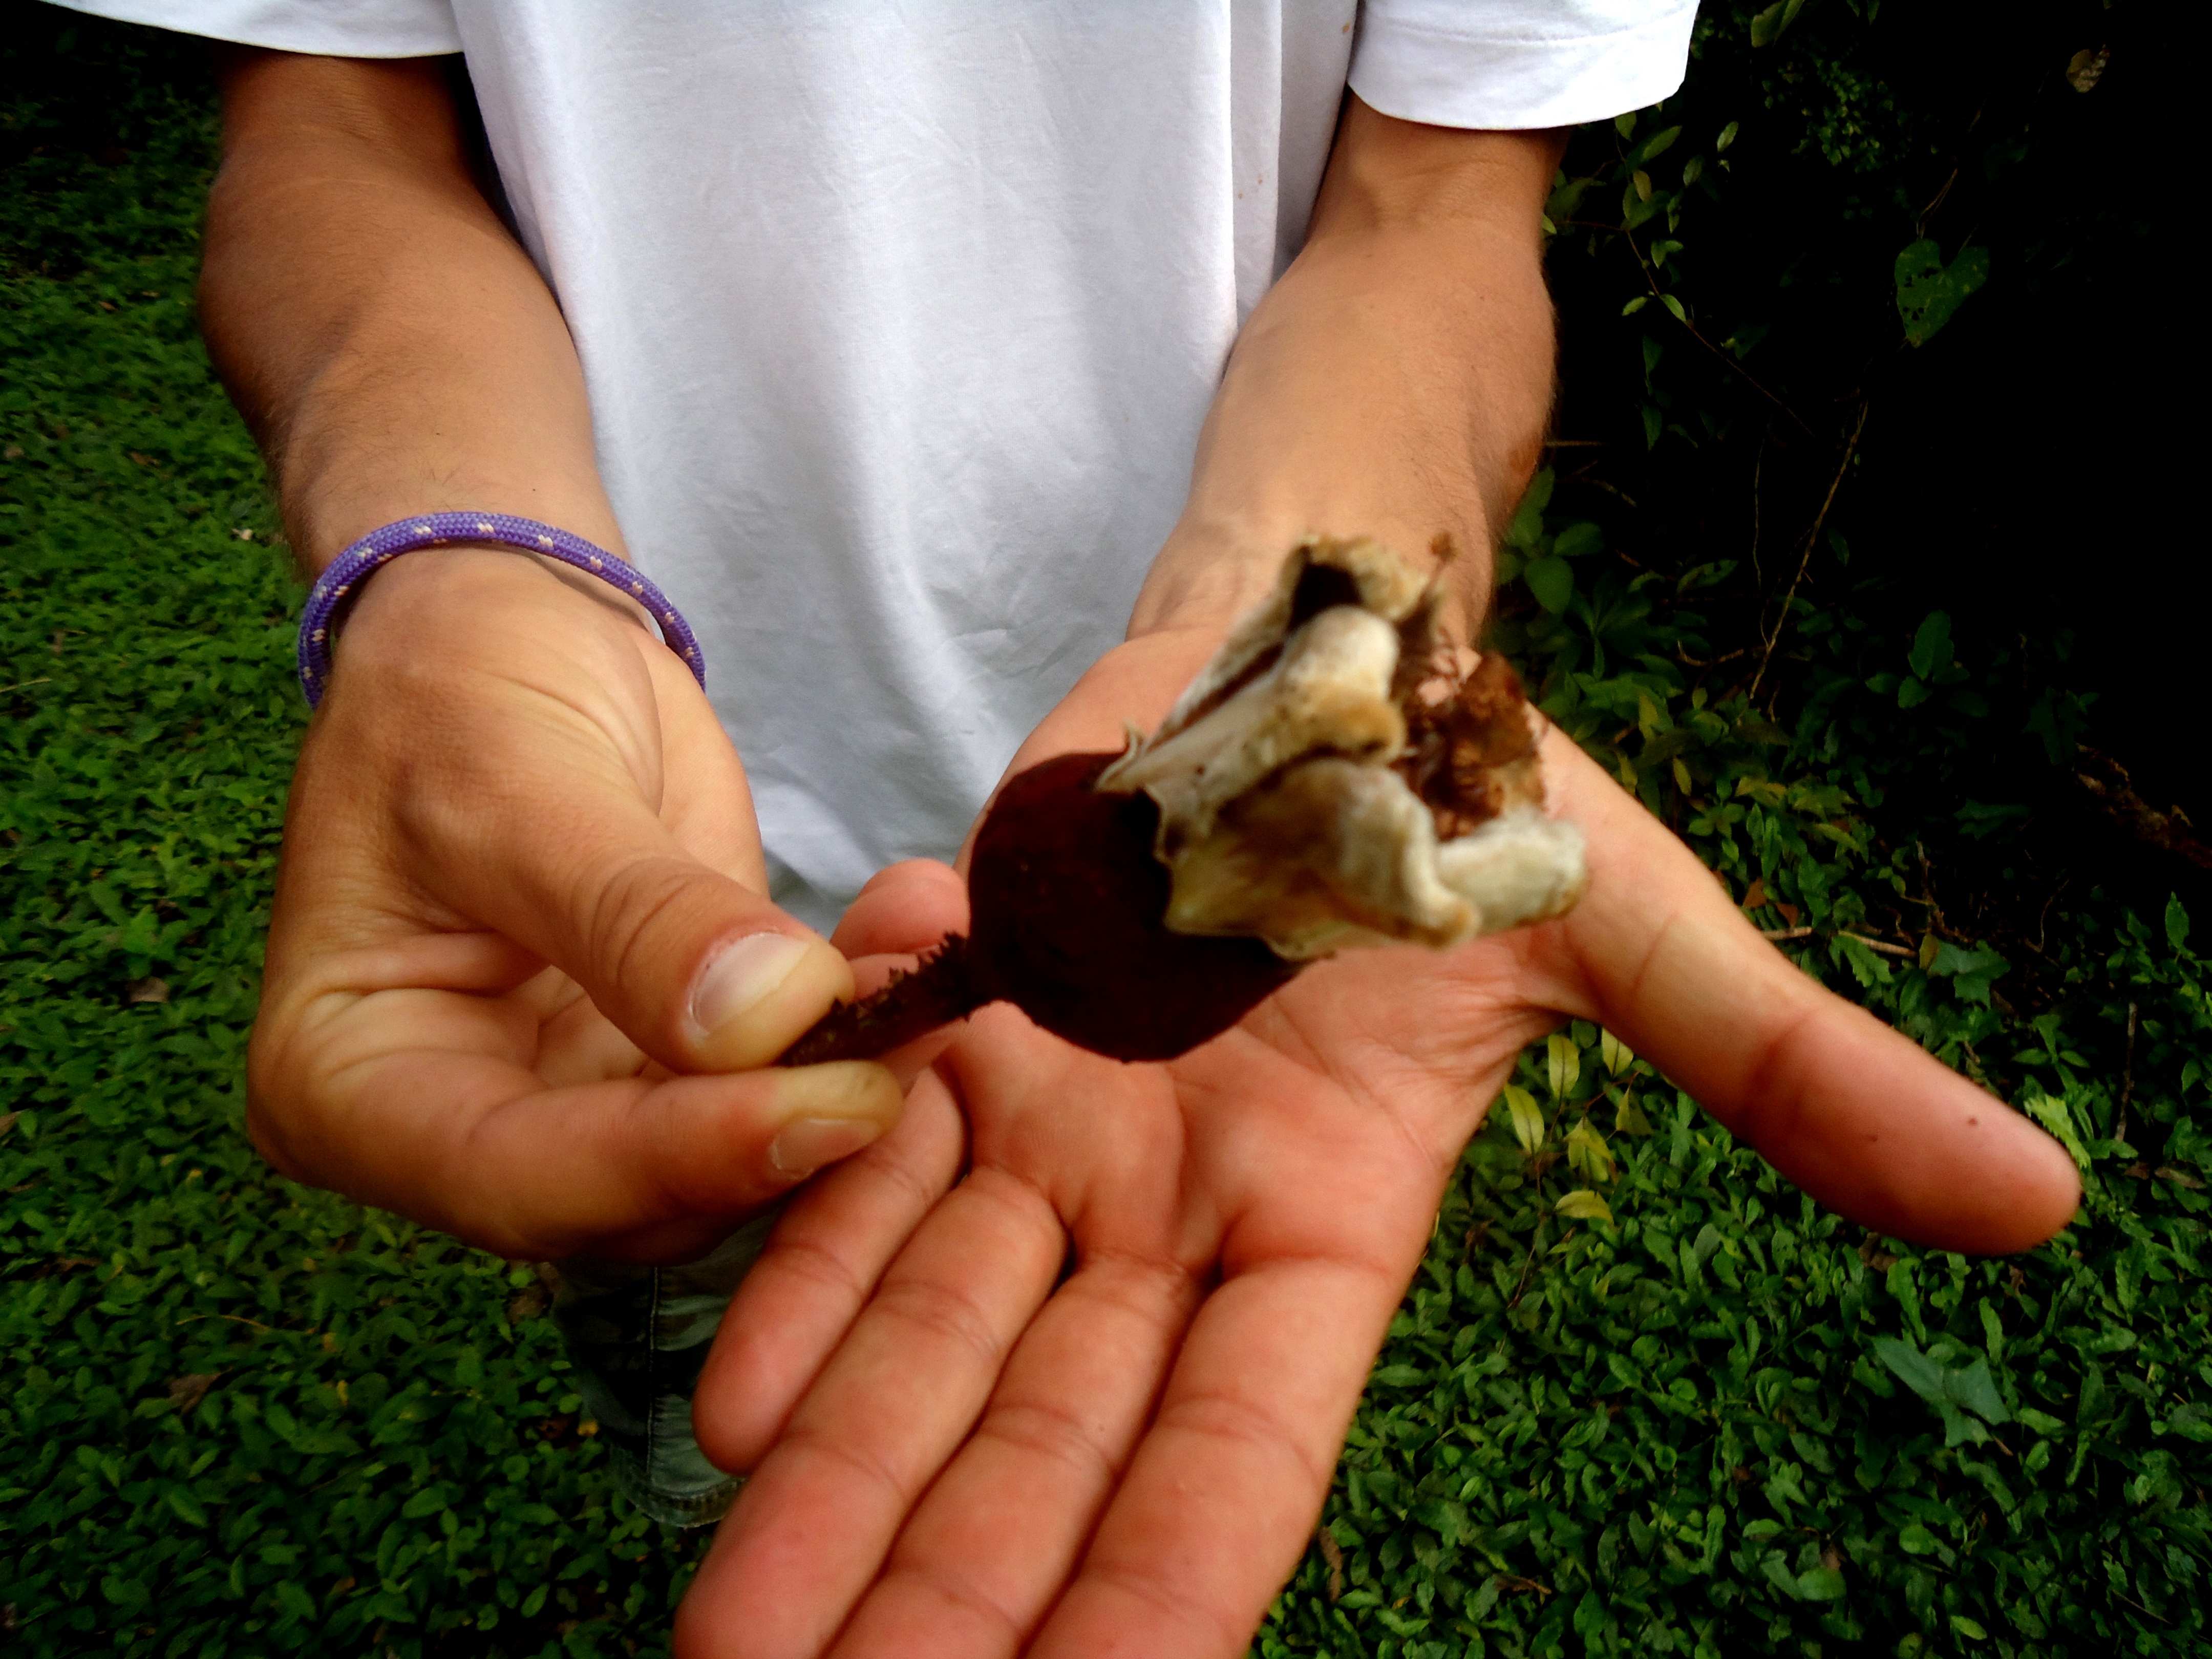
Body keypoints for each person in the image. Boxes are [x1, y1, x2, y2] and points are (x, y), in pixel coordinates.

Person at [54, 3, 2081, 1654]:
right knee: (749, 1438)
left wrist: (1306, 637)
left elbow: (1440, 203)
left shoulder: (1202, 854)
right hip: (616, 884)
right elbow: (333, 125)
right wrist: (460, 568)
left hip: (1165, 804)